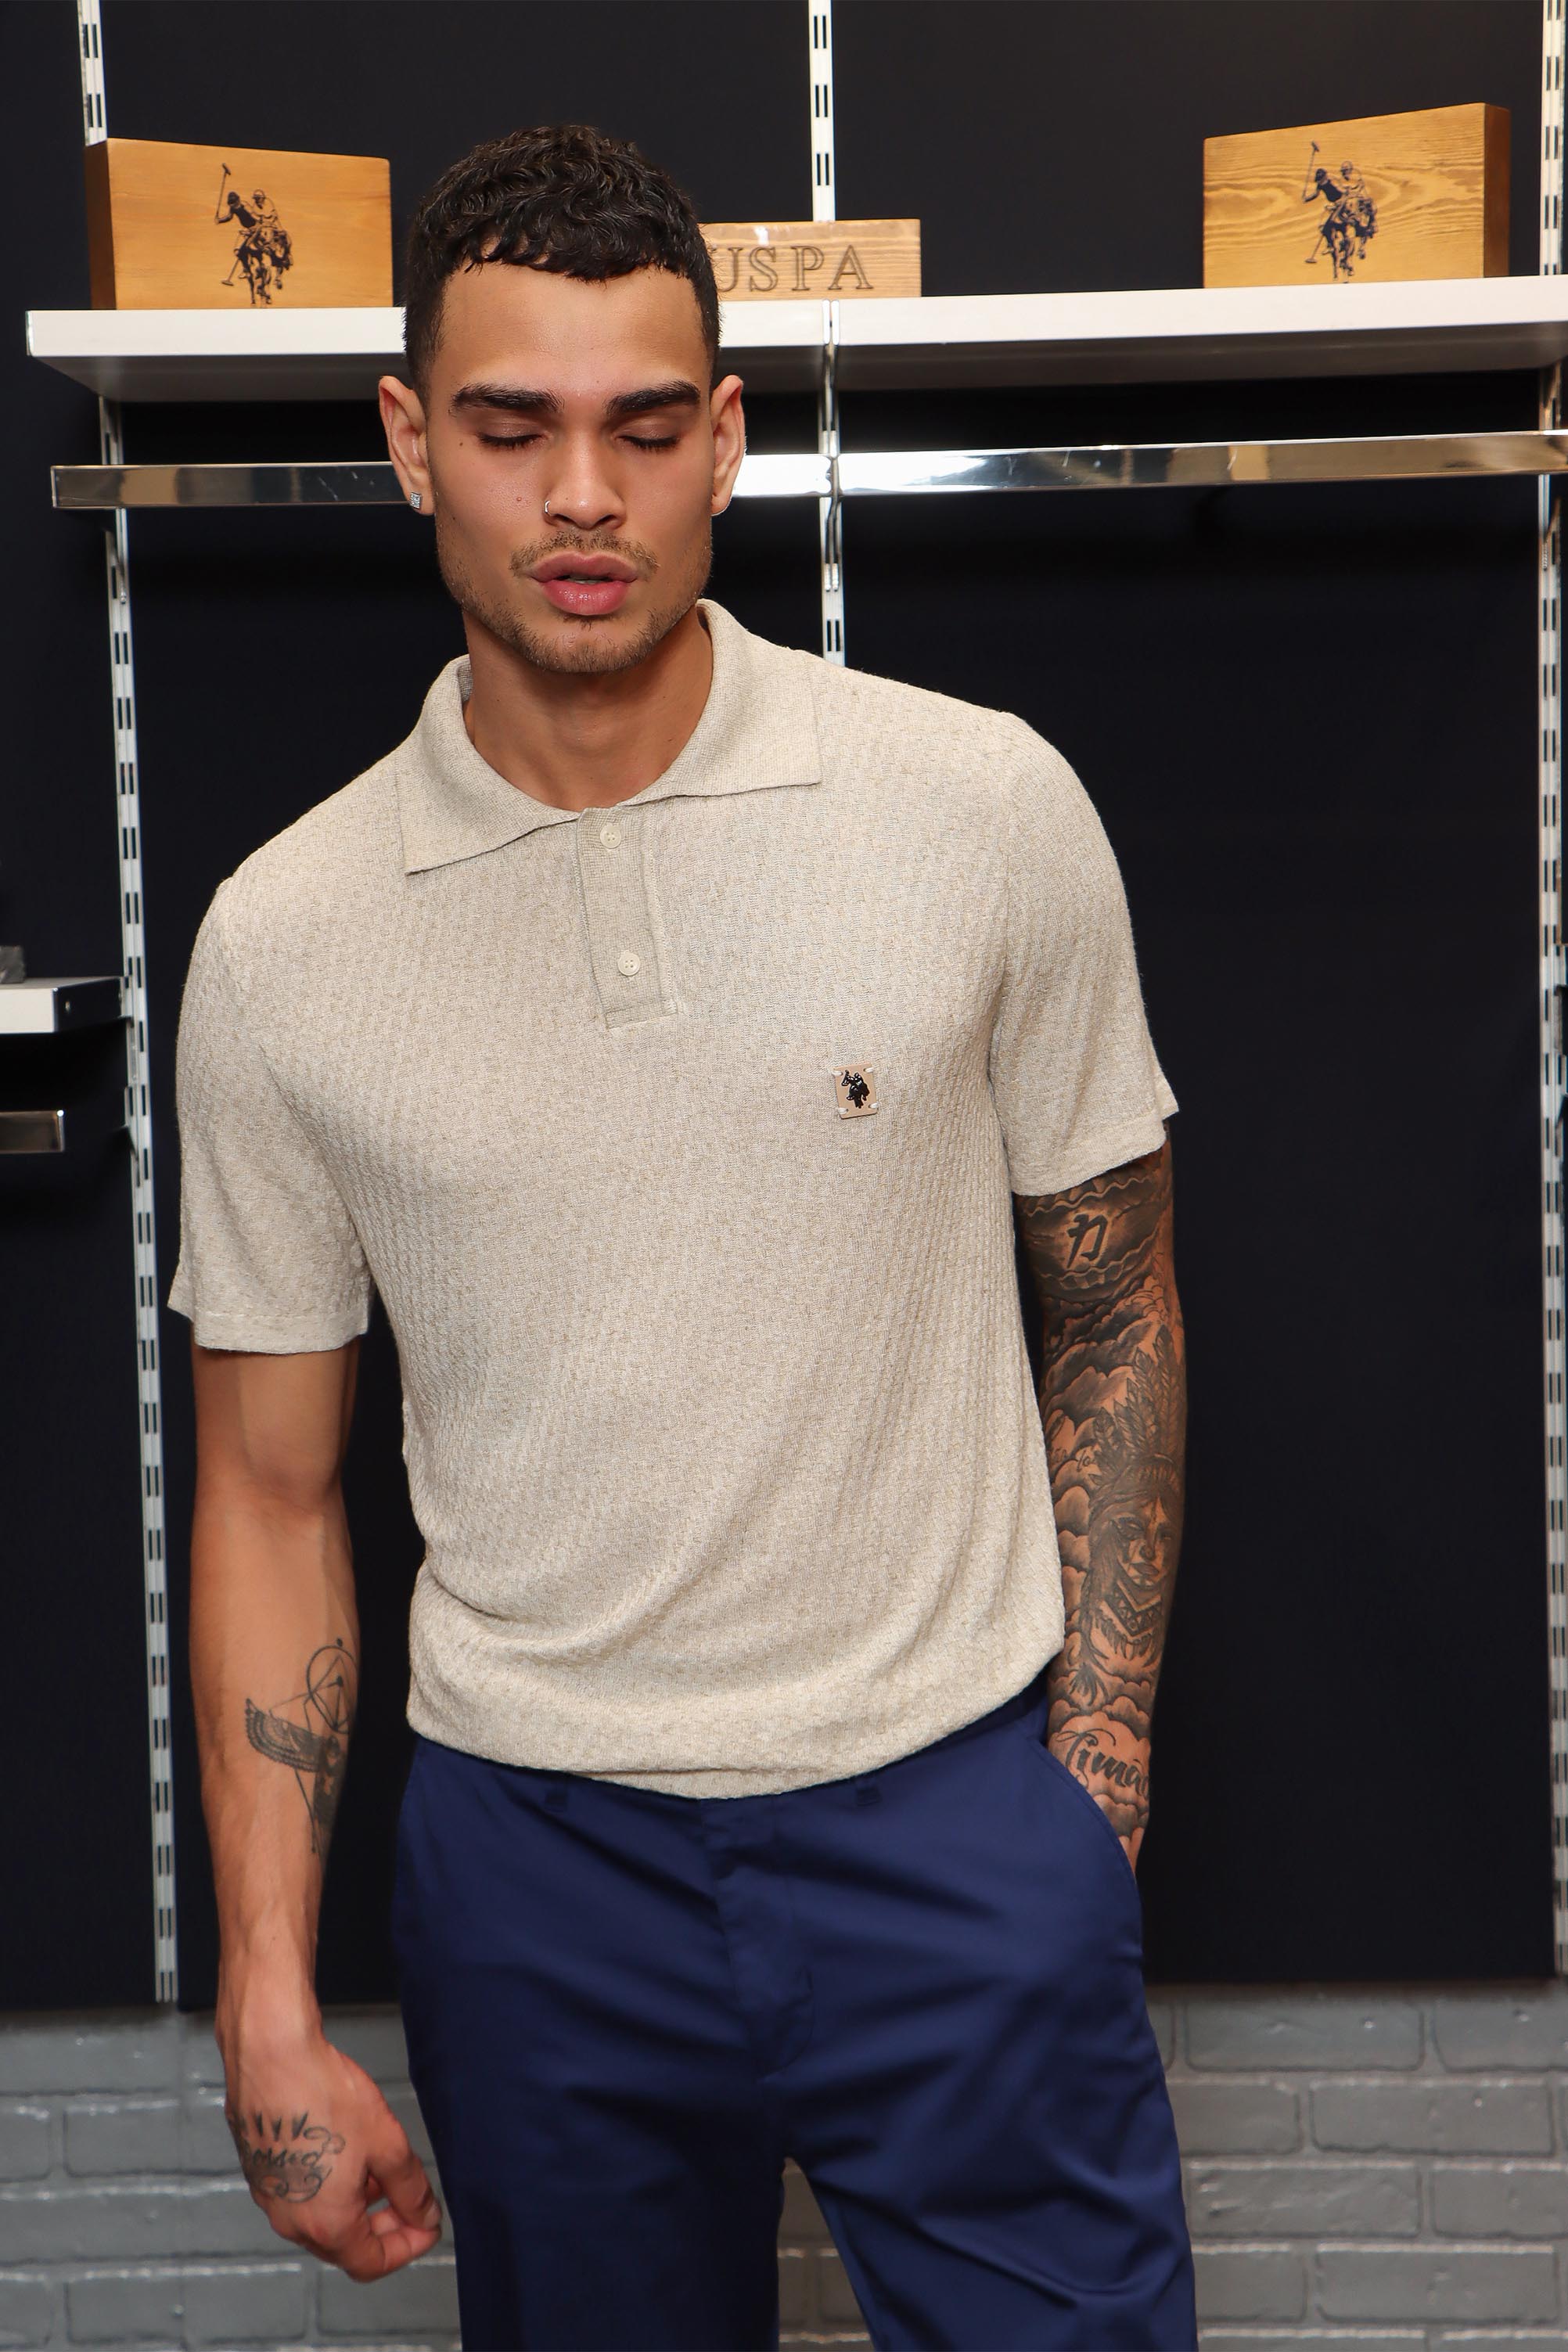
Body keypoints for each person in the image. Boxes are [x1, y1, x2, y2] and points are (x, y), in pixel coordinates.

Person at [170, 118, 1196, 2351]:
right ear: (408, 443)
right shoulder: (282, 941)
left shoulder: (977, 807)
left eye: (644, 430)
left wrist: (1085, 1795)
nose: (581, 497)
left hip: (953, 1819)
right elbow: (264, 1490)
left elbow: (1112, 1305)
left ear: (725, 441)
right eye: (510, 428)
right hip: (539, 1870)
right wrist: (263, 1989)